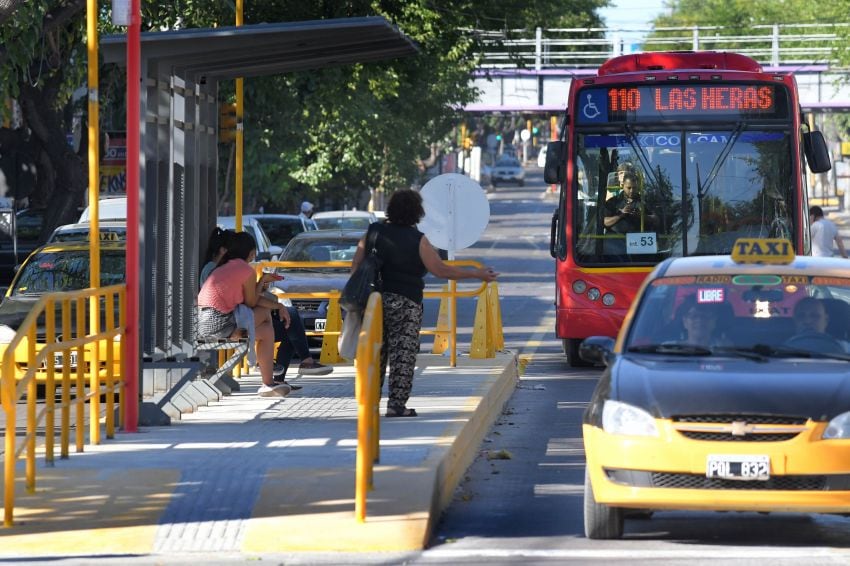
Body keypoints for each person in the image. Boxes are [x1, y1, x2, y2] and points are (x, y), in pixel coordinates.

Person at [350, 189, 499, 418]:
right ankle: (396, 405)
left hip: (374, 302)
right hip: (406, 303)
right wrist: (476, 274)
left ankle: (369, 402)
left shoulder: (374, 232)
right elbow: (440, 270)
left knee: (374, 351)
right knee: (403, 353)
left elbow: (356, 265)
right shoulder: (418, 240)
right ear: (417, 212)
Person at [198, 231, 292, 398]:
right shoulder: (245, 270)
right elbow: (252, 302)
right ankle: (264, 374)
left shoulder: (226, 266)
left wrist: (277, 305)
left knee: (267, 331)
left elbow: (250, 300)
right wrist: (267, 289)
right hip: (219, 323)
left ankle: (267, 381)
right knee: (265, 315)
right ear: (250, 252)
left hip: (203, 322)